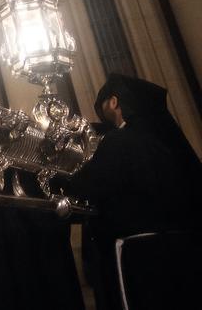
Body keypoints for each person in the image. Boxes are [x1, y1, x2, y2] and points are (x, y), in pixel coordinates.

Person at [70, 74, 202, 310]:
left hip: (139, 254)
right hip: (183, 249)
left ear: (113, 102)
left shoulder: (119, 141)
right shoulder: (163, 144)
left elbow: (90, 187)